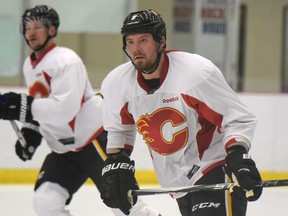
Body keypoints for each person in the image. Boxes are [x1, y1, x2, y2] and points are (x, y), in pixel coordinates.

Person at [0, 5, 161, 216]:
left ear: (51, 30)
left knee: (124, 205)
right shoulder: (30, 66)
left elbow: (66, 109)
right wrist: (32, 131)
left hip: (93, 139)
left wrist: (24, 107)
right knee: (46, 201)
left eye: (37, 26)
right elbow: (44, 103)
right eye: (27, 27)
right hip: (64, 150)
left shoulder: (66, 60)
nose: (31, 32)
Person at [99, 9, 263, 216]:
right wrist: (116, 161)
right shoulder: (117, 83)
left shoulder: (195, 73)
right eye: (130, 42)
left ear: (161, 41)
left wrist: (238, 154)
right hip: (176, 183)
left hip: (213, 167)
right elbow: (119, 130)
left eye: (143, 40)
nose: (136, 49)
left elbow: (237, 117)